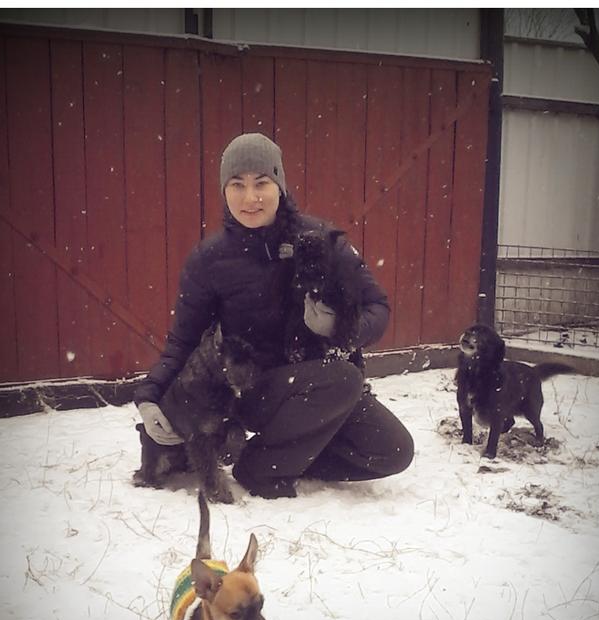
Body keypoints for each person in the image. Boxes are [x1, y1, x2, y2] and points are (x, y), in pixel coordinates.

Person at [134, 132, 414, 499]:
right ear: (224, 191)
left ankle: (277, 458)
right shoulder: (209, 260)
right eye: (237, 185)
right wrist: (149, 396)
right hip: (257, 390)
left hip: (328, 385)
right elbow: (182, 342)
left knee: (392, 451)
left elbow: (378, 306)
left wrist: (339, 328)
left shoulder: (321, 240)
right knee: (344, 378)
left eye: (261, 183)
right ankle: (259, 470)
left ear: (279, 186)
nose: (250, 197)